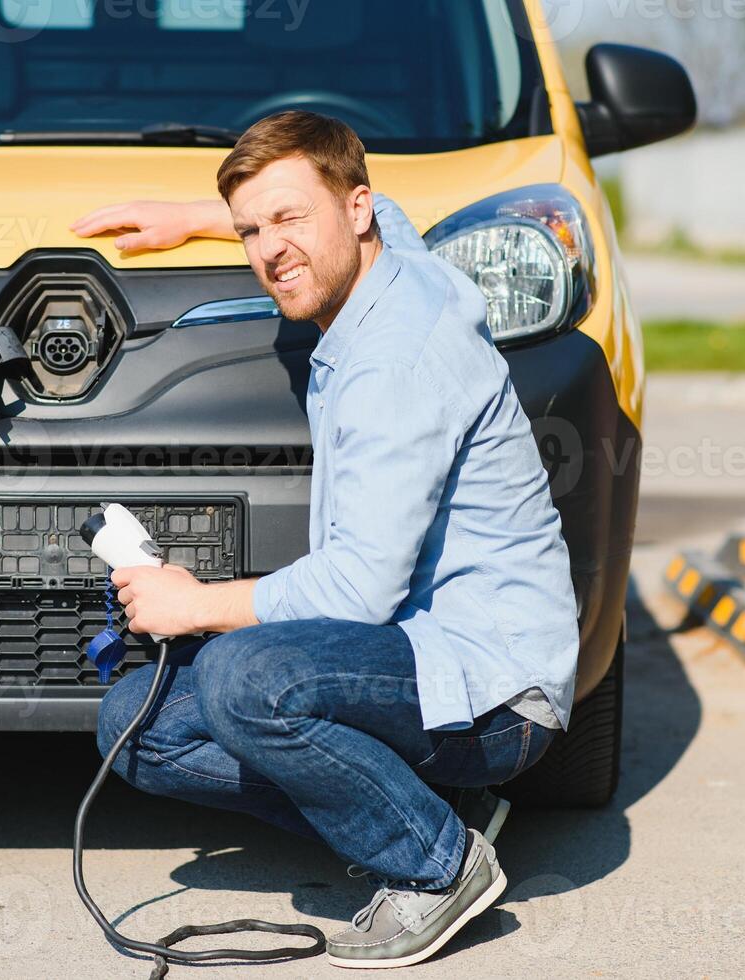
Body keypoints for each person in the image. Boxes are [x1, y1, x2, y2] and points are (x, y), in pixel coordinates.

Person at [71, 111, 579, 969]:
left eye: (288, 220)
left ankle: (438, 862)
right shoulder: (398, 260)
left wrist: (193, 606)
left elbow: (357, 593)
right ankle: (425, 811)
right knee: (137, 724)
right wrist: (197, 216)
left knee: (241, 677)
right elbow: (380, 209)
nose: (269, 252)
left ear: (356, 210)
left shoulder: (396, 360)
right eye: (250, 231)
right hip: (413, 661)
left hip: (494, 688)